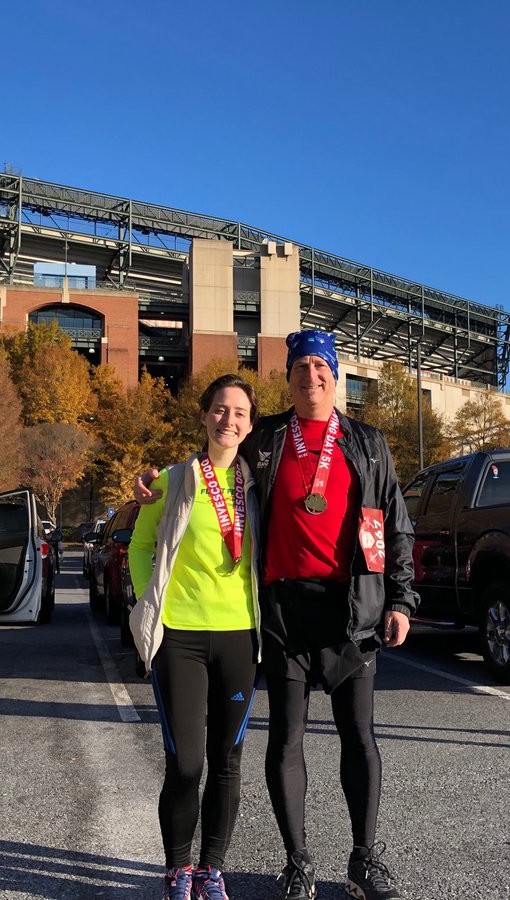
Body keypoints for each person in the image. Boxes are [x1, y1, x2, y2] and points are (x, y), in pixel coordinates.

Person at [137, 330, 417, 900]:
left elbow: (392, 522)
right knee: (285, 740)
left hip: (352, 611)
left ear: (335, 376)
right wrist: (151, 481)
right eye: (300, 368)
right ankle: (298, 862)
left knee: (358, 737)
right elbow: (209, 456)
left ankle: (363, 859)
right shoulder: (265, 438)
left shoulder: (368, 442)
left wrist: (400, 599)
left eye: (320, 367)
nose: (310, 376)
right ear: (287, 379)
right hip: (284, 612)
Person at [128, 373, 262, 900]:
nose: (229, 420)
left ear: (251, 426)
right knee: (186, 761)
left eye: (240, 414)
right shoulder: (172, 478)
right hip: (180, 636)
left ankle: (212, 870)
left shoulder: (256, 484)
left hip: (239, 638)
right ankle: (177, 868)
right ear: (205, 415)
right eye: (221, 410)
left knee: (227, 759)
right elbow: (140, 545)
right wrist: (148, 600)